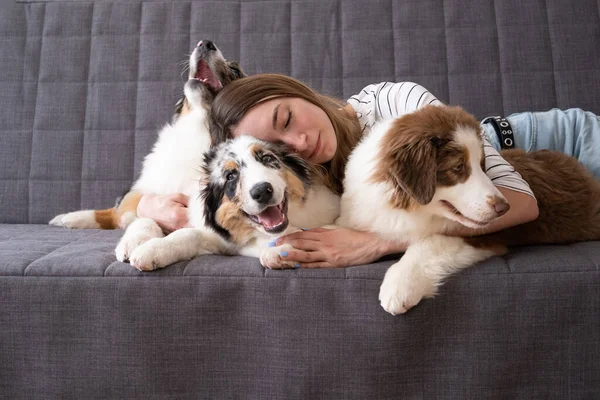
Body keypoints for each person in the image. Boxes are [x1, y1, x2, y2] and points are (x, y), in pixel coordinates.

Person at [142, 75, 600, 268]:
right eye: (279, 149)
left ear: (294, 90)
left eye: (287, 119)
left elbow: (522, 202)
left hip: (555, 139)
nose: (300, 141)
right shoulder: (308, 179)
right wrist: (144, 204)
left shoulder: (394, 103)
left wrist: (379, 243)